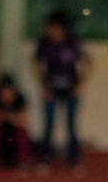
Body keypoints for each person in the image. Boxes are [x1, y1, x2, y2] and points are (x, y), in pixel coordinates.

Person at [34, 10, 90, 172]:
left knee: (71, 123)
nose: (50, 32)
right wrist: (43, 85)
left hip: (70, 89)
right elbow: (37, 64)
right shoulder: (45, 43)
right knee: (49, 123)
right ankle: (46, 159)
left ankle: (73, 160)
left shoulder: (73, 42)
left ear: (62, 28)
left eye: (53, 28)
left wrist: (80, 84)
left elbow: (88, 61)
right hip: (51, 88)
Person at [0, 73, 31, 169]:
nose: (6, 95)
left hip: (14, 128)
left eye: (9, 91)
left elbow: (23, 120)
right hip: (0, 127)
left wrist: (4, 116)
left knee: (22, 132)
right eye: (4, 91)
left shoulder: (20, 98)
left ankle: (23, 161)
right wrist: (12, 117)